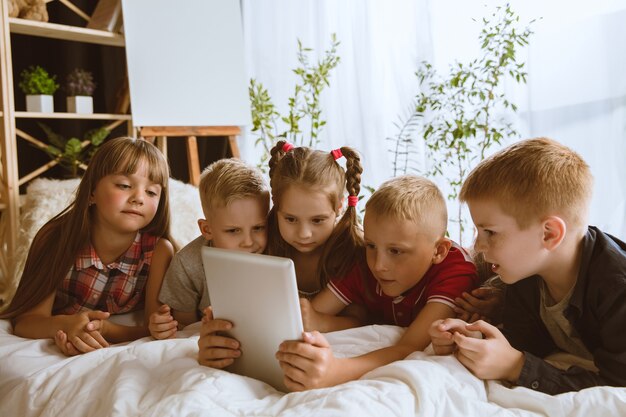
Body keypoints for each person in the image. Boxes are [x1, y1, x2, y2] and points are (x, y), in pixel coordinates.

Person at [429, 137, 626, 395]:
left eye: (490, 232)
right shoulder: (525, 274)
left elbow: (618, 383)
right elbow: (525, 340)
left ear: (549, 234)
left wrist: (517, 368)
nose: (477, 246)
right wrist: (470, 340)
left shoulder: (616, 286)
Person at [276, 175, 479, 390]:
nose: (379, 265)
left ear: (438, 251)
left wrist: (336, 371)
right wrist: (311, 320)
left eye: (396, 251)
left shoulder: (455, 271)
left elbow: (409, 346)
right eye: (371, 245)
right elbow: (307, 318)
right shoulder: (364, 261)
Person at [198, 140, 365, 369]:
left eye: (318, 220)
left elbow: (365, 319)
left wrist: (321, 321)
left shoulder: (352, 249)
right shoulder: (260, 241)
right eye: (290, 219)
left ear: (339, 207)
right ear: (275, 206)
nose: (304, 234)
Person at [0, 137, 175, 356]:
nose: (139, 198)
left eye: (151, 192)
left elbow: (152, 329)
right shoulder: (56, 239)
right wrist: (66, 326)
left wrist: (106, 330)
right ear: (92, 191)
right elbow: (27, 322)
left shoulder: (159, 252)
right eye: (124, 185)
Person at [153, 158, 269, 341]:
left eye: (259, 227)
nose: (248, 242)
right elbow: (185, 328)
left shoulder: (277, 250)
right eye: (233, 231)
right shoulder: (187, 264)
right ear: (207, 230)